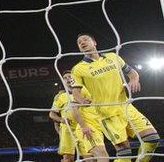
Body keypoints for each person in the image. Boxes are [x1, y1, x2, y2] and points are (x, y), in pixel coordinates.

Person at [71, 33, 159, 162]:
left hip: (126, 107)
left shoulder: (113, 57)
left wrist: (134, 80)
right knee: (125, 152)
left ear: (94, 42)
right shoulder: (78, 69)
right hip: (107, 114)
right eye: (79, 42)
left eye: (85, 39)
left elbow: (132, 73)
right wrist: (82, 101)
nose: (82, 42)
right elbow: (76, 92)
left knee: (152, 139)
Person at [49, 71, 78, 162]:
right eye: (65, 78)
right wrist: (62, 119)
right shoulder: (60, 96)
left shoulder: (83, 92)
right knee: (68, 159)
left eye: (69, 76)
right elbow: (52, 114)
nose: (67, 79)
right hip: (68, 130)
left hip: (83, 127)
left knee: (90, 157)